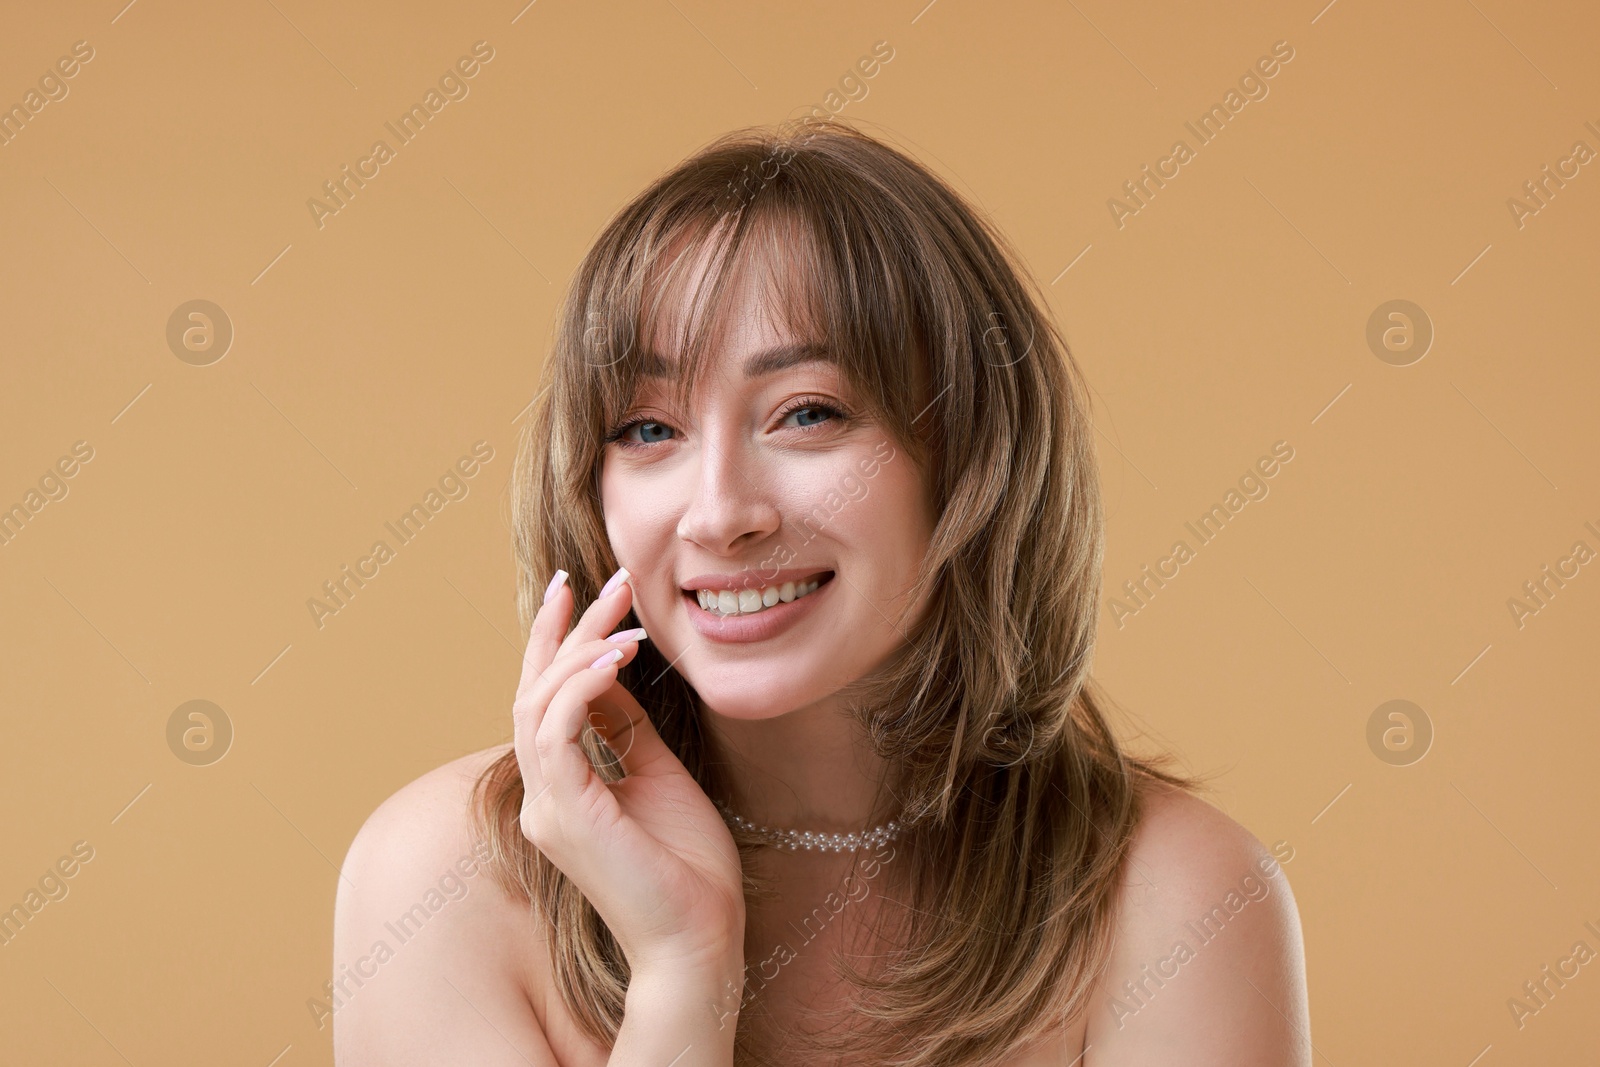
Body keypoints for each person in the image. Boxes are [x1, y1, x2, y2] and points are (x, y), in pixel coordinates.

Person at [332, 120, 1311, 1066]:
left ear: (974, 459)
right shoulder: (442, 879)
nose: (719, 514)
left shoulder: (1176, 897)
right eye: (646, 428)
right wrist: (682, 978)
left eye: (807, 413)